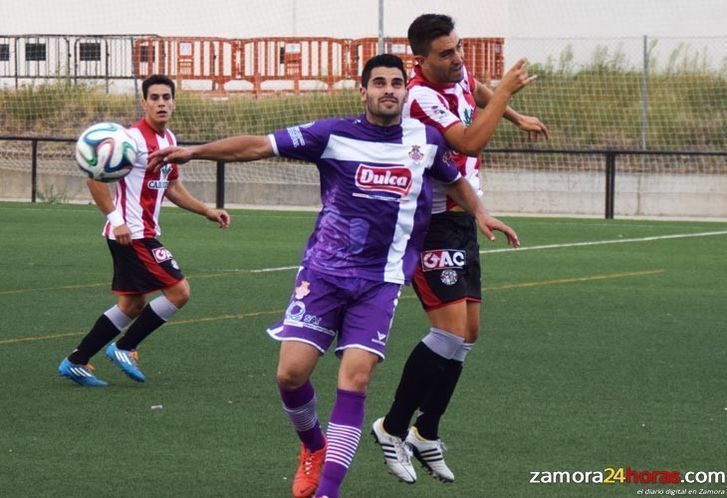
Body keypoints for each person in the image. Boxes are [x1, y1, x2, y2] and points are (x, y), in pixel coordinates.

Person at [148, 54, 519, 498]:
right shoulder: (332, 134)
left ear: (405, 90)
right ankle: (313, 447)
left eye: (396, 83)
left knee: (356, 378)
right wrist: (194, 151)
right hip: (324, 273)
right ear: (362, 91)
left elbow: (453, 178)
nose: (388, 90)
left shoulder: (427, 139)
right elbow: (259, 145)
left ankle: (328, 492)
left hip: (380, 282)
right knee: (290, 375)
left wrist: (481, 213)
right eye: (378, 83)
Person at [372, 14, 549, 484]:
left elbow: (479, 90)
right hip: (430, 222)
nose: (458, 59)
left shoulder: (457, 74)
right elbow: (469, 138)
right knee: (448, 334)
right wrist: (508, 97)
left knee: (468, 334)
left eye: (458, 48)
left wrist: (514, 114)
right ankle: (391, 427)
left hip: (463, 218)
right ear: (420, 60)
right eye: (446, 53)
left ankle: (425, 431)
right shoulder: (421, 98)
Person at [58, 74, 230, 387]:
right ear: (144, 102)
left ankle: (76, 361)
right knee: (179, 292)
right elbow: (94, 178)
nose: (161, 103)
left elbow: (173, 187)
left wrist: (206, 210)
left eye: (166, 97)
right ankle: (125, 347)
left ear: (174, 102)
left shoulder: (170, 141)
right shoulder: (130, 139)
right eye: (155, 98)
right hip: (132, 233)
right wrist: (116, 217)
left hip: (139, 232)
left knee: (132, 305)